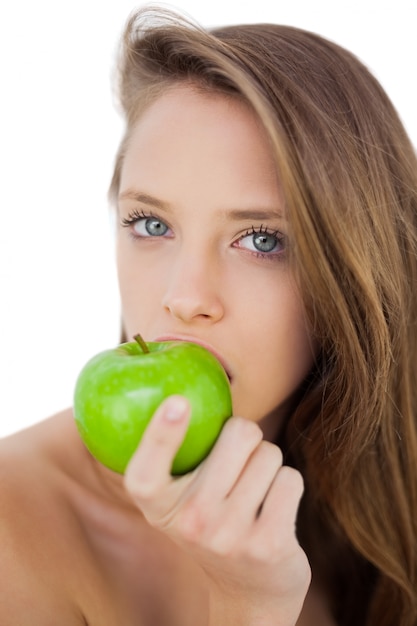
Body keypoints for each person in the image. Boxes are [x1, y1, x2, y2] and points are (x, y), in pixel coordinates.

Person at [1, 5, 416, 626]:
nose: (183, 296)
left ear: (358, 269)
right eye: (151, 224)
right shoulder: (14, 530)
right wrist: (250, 607)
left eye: (262, 240)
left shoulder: (393, 500)